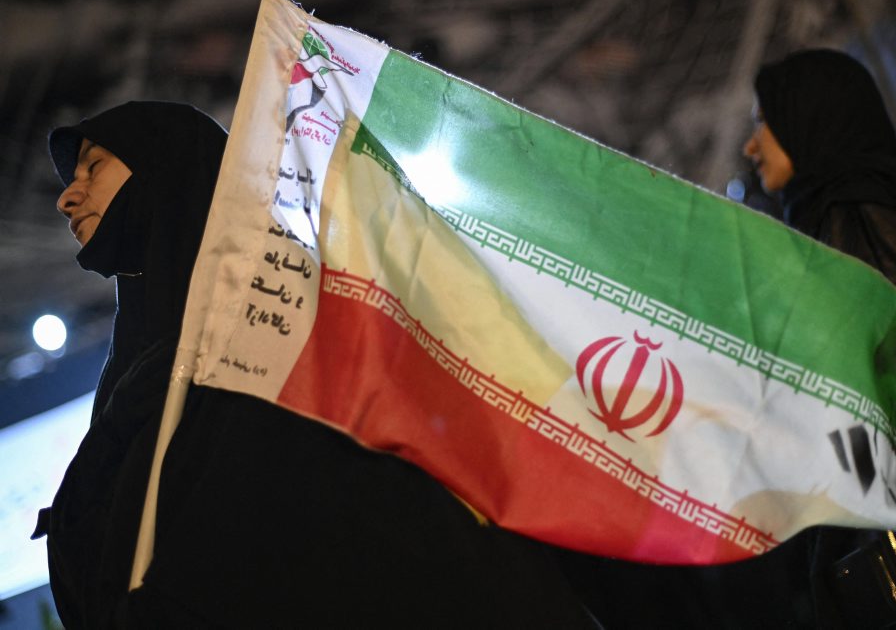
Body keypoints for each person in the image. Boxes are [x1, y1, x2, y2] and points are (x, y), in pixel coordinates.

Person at [35, 100, 597, 628]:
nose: (68, 198)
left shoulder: (283, 325)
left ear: (165, 165)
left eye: (94, 167)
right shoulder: (142, 366)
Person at [744, 48, 896, 628]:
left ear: (810, 116)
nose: (751, 145)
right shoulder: (874, 201)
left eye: (764, 121)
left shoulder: (852, 211)